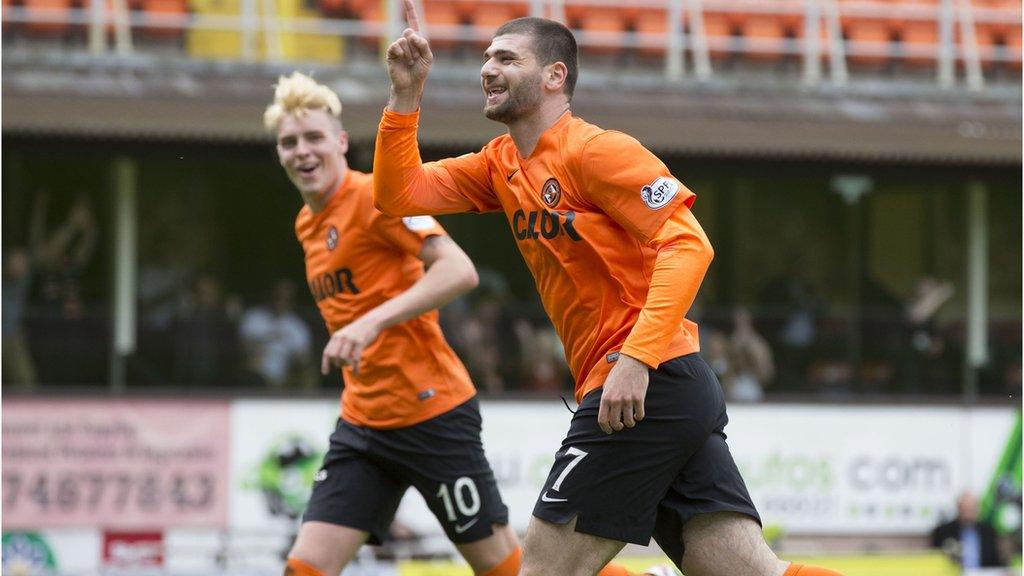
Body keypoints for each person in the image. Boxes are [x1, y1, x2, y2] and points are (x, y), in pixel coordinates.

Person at [374, 8, 844, 576]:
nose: (487, 69)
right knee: (752, 573)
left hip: (644, 383)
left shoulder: (596, 151)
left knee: (544, 569)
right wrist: (406, 95)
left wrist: (637, 360)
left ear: (554, 76)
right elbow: (400, 194)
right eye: (485, 58)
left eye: (505, 58)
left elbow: (690, 246)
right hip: (664, 389)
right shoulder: (501, 164)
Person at [263, 72, 521, 576]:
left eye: (313, 137)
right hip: (364, 426)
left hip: (434, 415)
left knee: (511, 572)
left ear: (340, 143)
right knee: (304, 568)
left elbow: (458, 270)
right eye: (288, 142)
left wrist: (368, 324)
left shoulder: (375, 197)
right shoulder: (306, 222)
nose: (302, 151)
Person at [238, 278, 316, 390]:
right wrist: (254, 349)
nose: (281, 300)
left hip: (286, 376)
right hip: (256, 372)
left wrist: (297, 361)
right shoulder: (254, 317)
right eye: (278, 296)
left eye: (287, 298)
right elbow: (241, 345)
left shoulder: (297, 327)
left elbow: (304, 359)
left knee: (308, 375)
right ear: (271, 295)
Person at [930, 491, 1006, 569]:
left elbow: (996, 561)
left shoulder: (988, 531)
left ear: (978, 509)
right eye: (964, 509)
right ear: (958, 509)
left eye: (970, 509)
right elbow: (935, 561)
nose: (967, 514)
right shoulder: (943, 531)